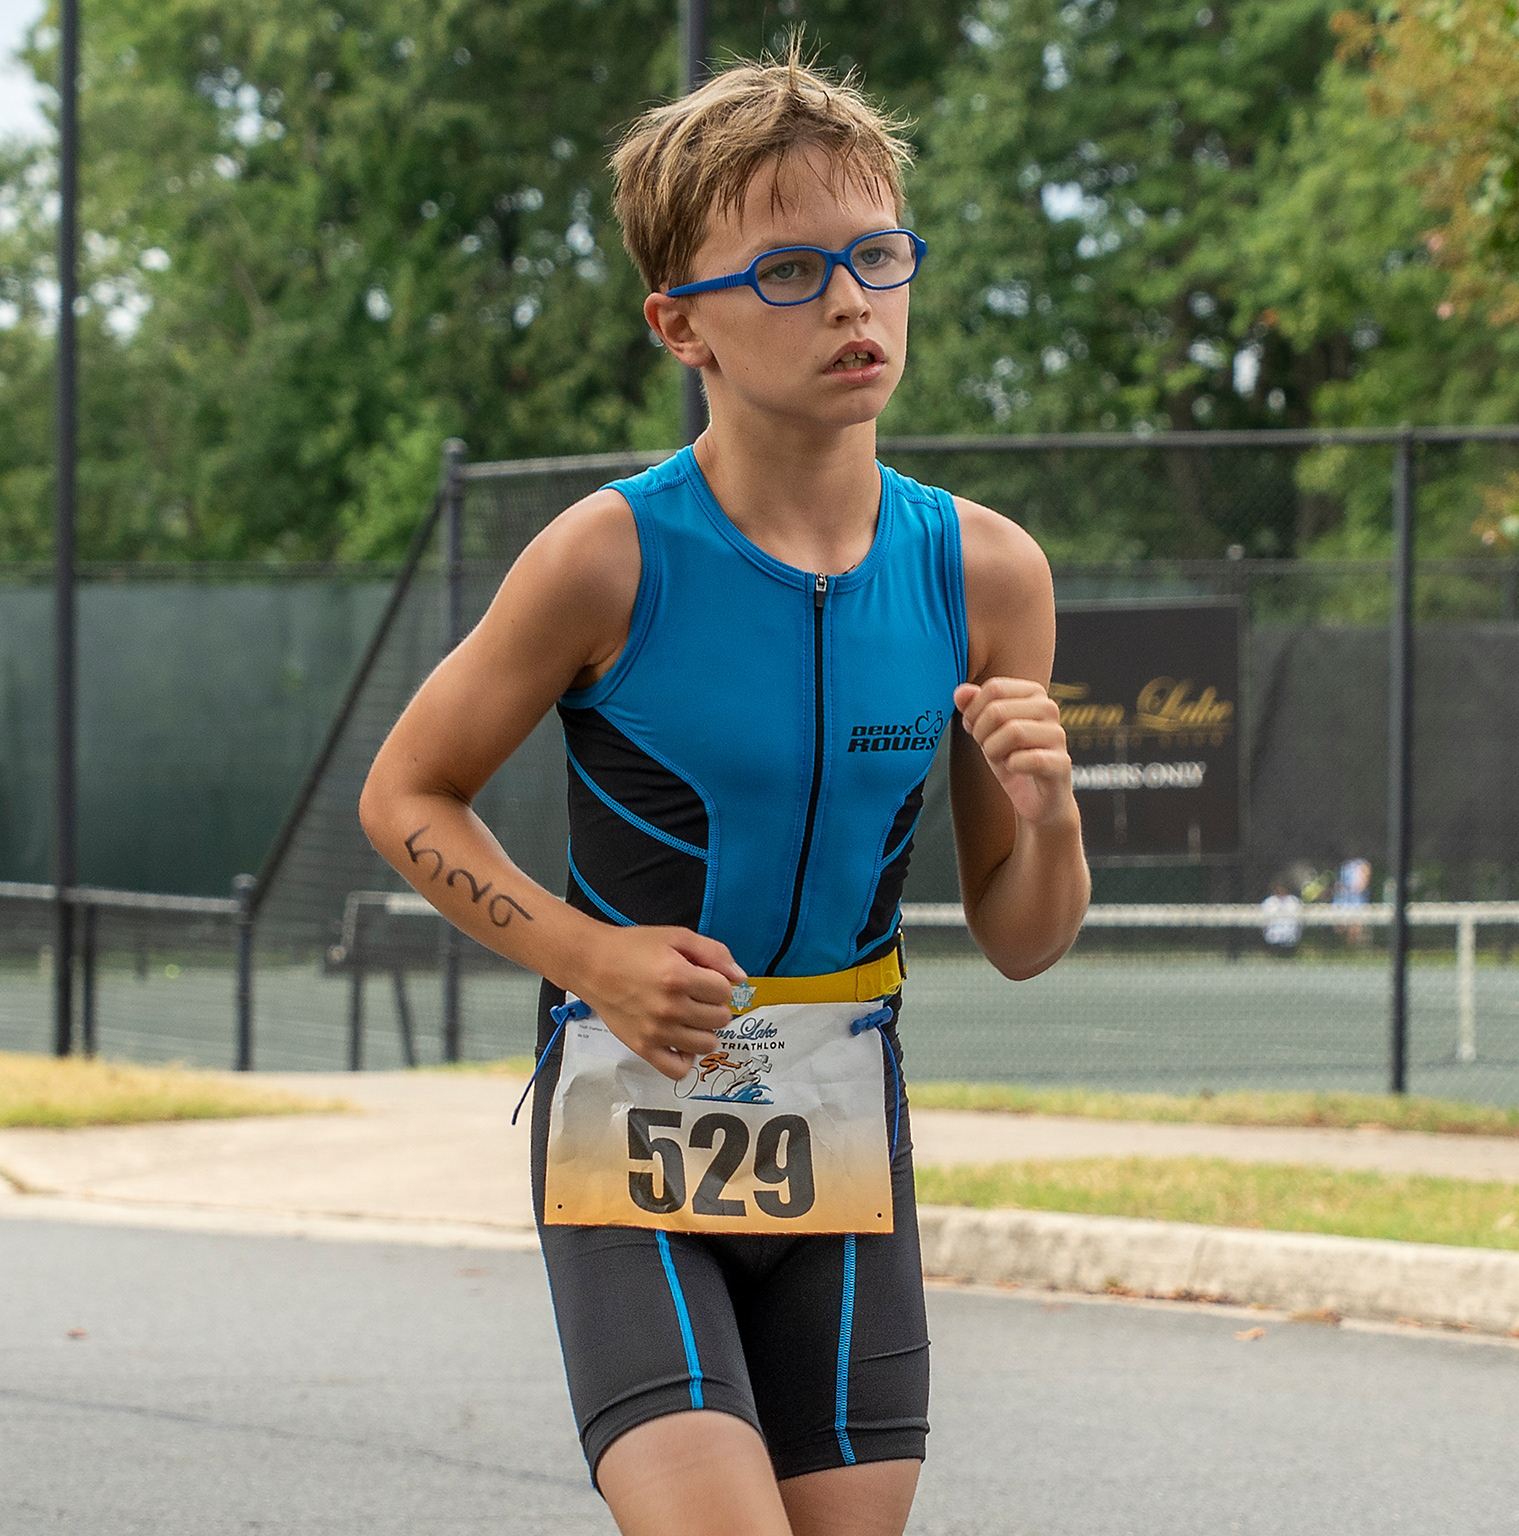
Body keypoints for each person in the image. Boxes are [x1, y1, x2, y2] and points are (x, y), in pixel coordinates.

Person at [357, 50, 1090, 1536]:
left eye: (877, 256)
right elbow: (407, 796)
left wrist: (1053, 817)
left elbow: (1023, 938)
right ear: (678, 321)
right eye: (789, 271)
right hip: (634, 1115)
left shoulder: (987, 572)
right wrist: (592, 958)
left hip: (841, 1122)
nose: (851, 303)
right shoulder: (605, 556)